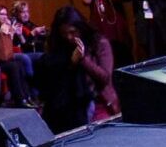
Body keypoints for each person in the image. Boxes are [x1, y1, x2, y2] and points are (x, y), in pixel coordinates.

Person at [34, 8, 113, 136]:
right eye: (64, 33)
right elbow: (52, 77)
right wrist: (70, 63)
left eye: (72, 32)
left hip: (96, 98)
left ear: (80, 27)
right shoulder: (60, 44)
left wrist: (83, 60)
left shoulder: (99, 43)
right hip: (68, 100)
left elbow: (104, 78)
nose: (69, 37)